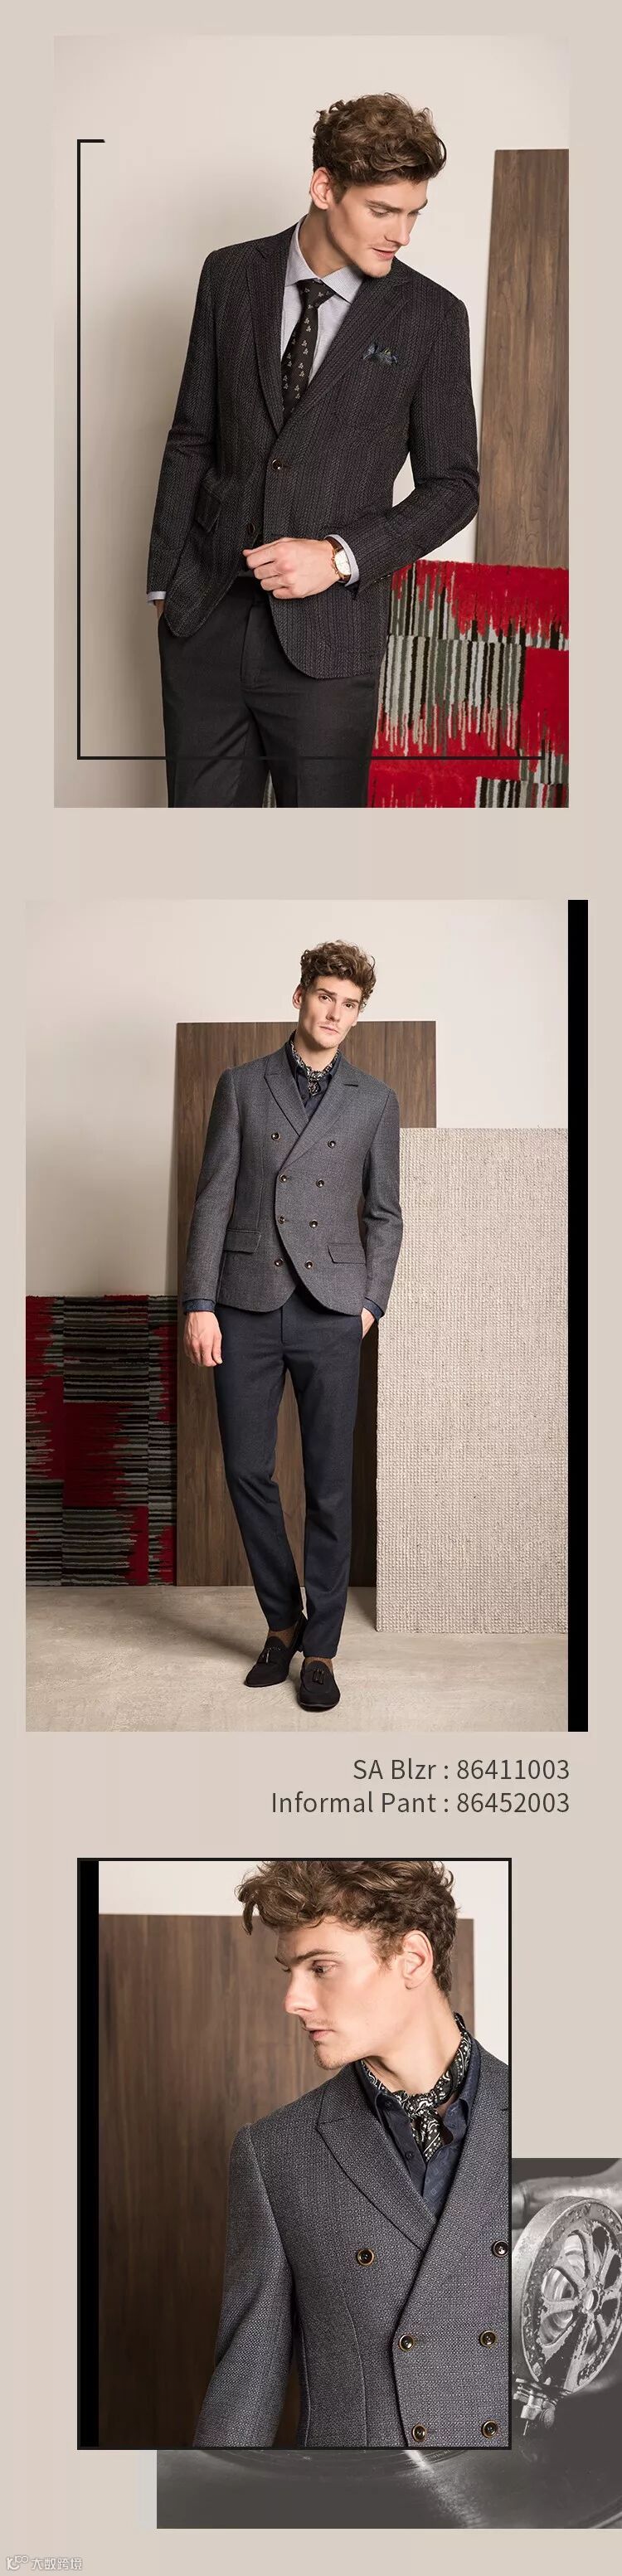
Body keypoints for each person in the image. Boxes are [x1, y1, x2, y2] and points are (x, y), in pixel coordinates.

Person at [147, 91, 479, 806]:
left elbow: (454, 486)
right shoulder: (229, 275)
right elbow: (192, 437)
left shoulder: (432, 317)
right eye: (383, 210)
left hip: (328, 636)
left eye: (415, 213)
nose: (403, 234)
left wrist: (337, 556)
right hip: (204, 617)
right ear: (325, 188)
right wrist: (166, 589)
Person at [193, 1859, 509, 2450]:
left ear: (412, 1959)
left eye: (321, 1967)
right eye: (291, 1972)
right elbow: (245, 2390)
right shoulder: (276, 2152)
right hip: (353, 2499)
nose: (292, 1999)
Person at [182, 940, 401, 1710]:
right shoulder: (242, 1084)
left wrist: (370, 1302)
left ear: (358, 1015)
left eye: (349, 1004)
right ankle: (282, 1622)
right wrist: (199, 1302)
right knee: (247, 1469)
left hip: (333, 1308)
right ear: (301, 996)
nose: (335, 1013)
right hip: (244, 1301)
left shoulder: (376, 1101)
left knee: (330, 1485)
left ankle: (322, 1650)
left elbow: (385, 1214)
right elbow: (213, 1198)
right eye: (325, 996)